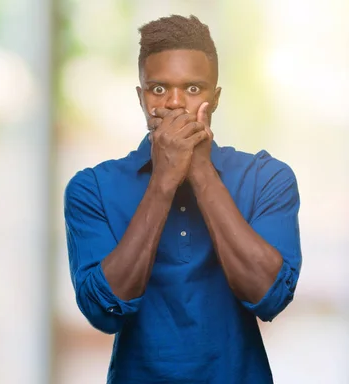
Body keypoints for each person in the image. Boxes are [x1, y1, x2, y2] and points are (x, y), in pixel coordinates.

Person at [63, 14, 302, 383]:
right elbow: (102, 312)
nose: (175, 104)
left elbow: (269, 297)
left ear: (215, 98)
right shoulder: (91, 188)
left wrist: (201, 173)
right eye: (159, 89)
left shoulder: (267, 179)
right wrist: (162, 182)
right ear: (141, 97)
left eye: (193, 89)